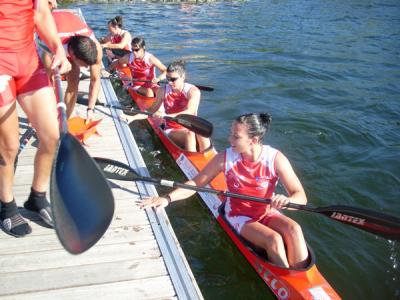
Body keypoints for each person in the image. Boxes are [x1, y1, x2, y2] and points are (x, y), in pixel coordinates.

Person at [141, 113, 309, 268]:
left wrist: (288, 202)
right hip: (238, 215)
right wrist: (167, 198)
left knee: (294, 229)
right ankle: (285, 279)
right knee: (274, 240)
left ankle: (301, 276)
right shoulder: (225, 158)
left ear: (254, 140)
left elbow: (300, 196)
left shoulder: (275, 158)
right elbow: (196, 183)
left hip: (266, 211)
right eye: (231, 134)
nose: (230, 140)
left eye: (236, 137)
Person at [0, 0, 71, 237]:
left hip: (28, 59)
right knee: (8, 146)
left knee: (52, 136)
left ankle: (37, 198)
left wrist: (58, 48)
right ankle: (7, 206)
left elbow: (40, 12)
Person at [123, 60, 211, 152]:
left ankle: (207, 157)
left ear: (183, 77)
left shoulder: (193, 91)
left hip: (190, 126)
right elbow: (151, 110)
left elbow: (190, 111)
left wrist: (167, 115)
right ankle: (192, 161)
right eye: (168, 79)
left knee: (203, 134)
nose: (169, 83)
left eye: (173, 79)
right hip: (172, 129)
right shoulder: (162, 91)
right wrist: (132, 118)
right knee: (190, 135)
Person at [41, 10, 102, 120]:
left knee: (74, 79)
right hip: (51, 32)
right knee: (49, 81)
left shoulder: (96, 48)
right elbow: (48, 84)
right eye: (85, 65)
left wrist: (90, 109)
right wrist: (58, 73)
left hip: (71, 33)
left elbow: (95, 79)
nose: (87, 68)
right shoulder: (50, 46)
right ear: (72, 56)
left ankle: (65, 120)